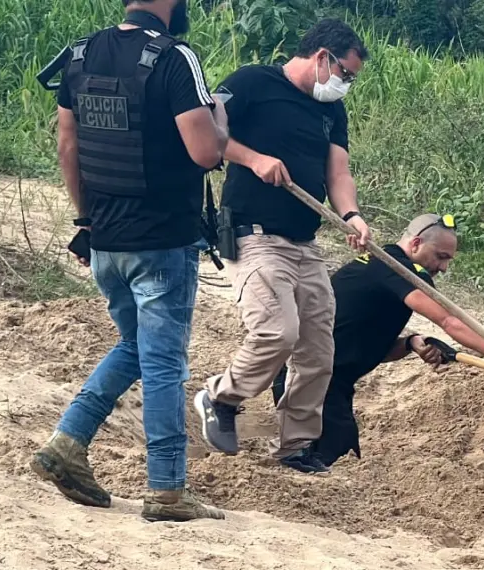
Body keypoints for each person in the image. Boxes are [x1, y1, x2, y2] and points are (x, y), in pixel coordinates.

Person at [29, 0, 229, 522]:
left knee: (136, 348)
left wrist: (86, 220)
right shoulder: (173, 57)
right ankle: (167, 489)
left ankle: (67, 443)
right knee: (163, 363)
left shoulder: (79, 55)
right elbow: (206, 152)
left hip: (106, 240)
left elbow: (67, 144)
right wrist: (221, 119)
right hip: (161, 242)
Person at [192, 19, 373, 474]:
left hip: (304, 242)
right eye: (344, 75)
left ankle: (296, 444)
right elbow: (207, 133)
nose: (344, 86)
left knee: (317, 350)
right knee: (277, 331)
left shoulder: (331, 111)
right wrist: (254, 159)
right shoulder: (252, 82)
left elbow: (338, 173)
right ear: (321, 58)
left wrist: (351, 215)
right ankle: (220, 397)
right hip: (254, 234)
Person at [268, 214, 484, 467]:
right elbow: (450, 321)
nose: (444, 267)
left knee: (342, 446)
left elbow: (358, 343)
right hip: (309, 376)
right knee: (328, 452)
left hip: (324, 378)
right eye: (441, 256)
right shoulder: (399, 269)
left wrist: (410, 343)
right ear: (415, 244)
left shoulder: (380, 264)